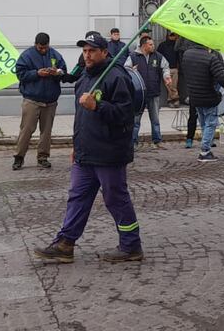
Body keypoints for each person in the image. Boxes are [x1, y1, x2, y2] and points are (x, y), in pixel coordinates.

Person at [33, 31, 143, 264]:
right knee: (77, 197)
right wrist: (76, 144)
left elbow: (125, 115)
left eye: (92, 50)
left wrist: (98, 106)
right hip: (86, 152)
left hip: (109, 152)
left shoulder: (116, 76)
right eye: (84, 51)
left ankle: (131, 245)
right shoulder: (84, 77)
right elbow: (80, 118)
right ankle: (65, 244)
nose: (87, 55)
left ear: (104, 52)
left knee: (115, 199)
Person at [13, 32, 67, 170]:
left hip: (50, 100)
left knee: (46, 131)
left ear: (49, 44)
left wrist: (57, 73)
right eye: (40, 48)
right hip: (32, 99)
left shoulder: (55, 54)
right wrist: (36, 73)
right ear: (35, 44)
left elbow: (64, 72)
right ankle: (19, 157)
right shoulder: (27, 55)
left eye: (45, 47)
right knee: (26, 130)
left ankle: (43, 157)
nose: (43, 50)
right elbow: (20, 74)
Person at [181, 38, 224, 161]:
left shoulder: (187, 55)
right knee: (210, 123)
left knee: (203, 123)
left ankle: (205, 145)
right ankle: (205, 151)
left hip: (194, 96)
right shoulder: (211, 58)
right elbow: (223, 78)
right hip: (209, 97)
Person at [128, 36, 171, 150]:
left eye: (153, 44)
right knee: (136, 120)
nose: (153, 46)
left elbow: (166, 67)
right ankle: (133, 142)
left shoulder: (157, 56)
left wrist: (166, 76)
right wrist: (132, 71)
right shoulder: (133, 56)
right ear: (144, 46)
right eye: (150, 44)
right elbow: (125, 70)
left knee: (155, 119)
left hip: (153, 92)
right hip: (138, 94)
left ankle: (157, 141)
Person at [156, 31, 180, 108]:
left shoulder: (177, 45)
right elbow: (158, 56)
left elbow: (179, 56)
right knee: (169, 85)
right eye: (171, 35)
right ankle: (175, 99)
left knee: (173, 85)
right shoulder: (162, 45)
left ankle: (171, 100)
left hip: (174, 68)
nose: (173, 37)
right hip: (165, 68)